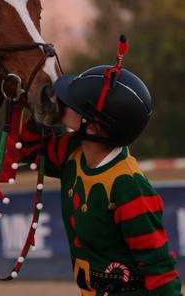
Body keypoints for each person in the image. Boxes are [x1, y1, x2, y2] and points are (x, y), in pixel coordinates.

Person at [17, 36, 182, 295]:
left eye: (72, 103)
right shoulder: (73, 152)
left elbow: (160, 271)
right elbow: (25, 151)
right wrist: (41, 113)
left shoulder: (129, 187)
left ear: (91, 125)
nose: (62, 100)